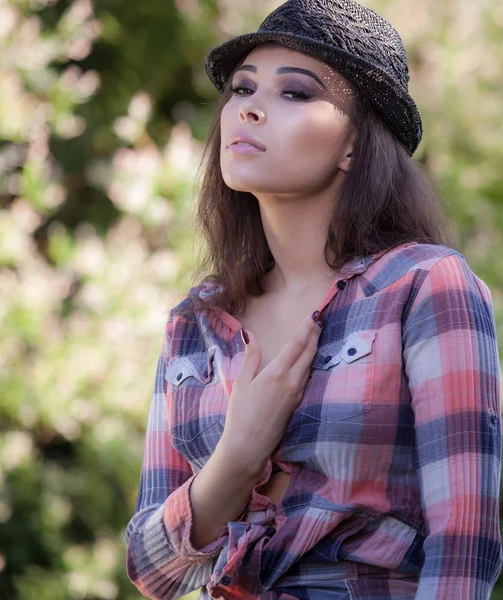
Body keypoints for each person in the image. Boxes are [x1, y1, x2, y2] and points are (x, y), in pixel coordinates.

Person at [125, 0, 503, 598]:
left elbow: (465, 549)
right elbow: (152, 573)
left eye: (295, 93)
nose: (246, 106)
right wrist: (237, 454)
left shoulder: (425, 286)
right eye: (242, 87)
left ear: (354, 143)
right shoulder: (194, 324)